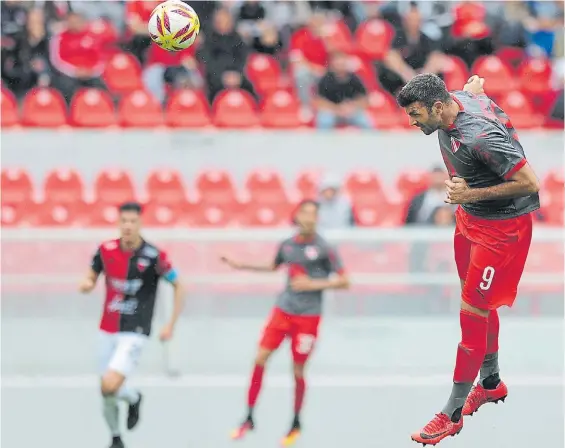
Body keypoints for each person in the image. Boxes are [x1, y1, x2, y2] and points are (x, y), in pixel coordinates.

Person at [396, 74, 540, 446]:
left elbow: (530, 183)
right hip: (470, 219)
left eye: (415, 114)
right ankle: (490, 382)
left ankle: (452, 413)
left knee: (472, 312)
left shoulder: (481, 137)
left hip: (501, 231)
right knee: (475, 301)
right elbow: (472, 90)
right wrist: (475, 86)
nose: (412, 122)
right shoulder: (455, 101)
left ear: (438, 107)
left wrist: (472, 191)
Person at [221, 200, 350, 446]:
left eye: (314, 214)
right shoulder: (288, 245)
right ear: (297, 216)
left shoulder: (324, 248)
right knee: (259, 358)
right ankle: (248, 416)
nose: (310, 218)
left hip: (309, 318)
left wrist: (314, 284)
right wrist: (240, 265)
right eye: (306, 213)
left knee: (298, 370)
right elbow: (273, 266)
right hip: (283, 312)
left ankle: (295, 421)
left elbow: (345, 281)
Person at [78, 202, 184, 448]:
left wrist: (170, 325)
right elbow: (91, 274)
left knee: (110, 384)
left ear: (140, 224)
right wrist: (86, 283)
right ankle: (116, 437)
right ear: (118, 223)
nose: (127, 226)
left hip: (134, 331)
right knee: (105, 391)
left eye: (132, 221)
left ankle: (134, 398)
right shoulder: (105, 250)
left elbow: (180, 285)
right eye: (123, 221)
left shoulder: (153, 256)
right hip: (107, 328)